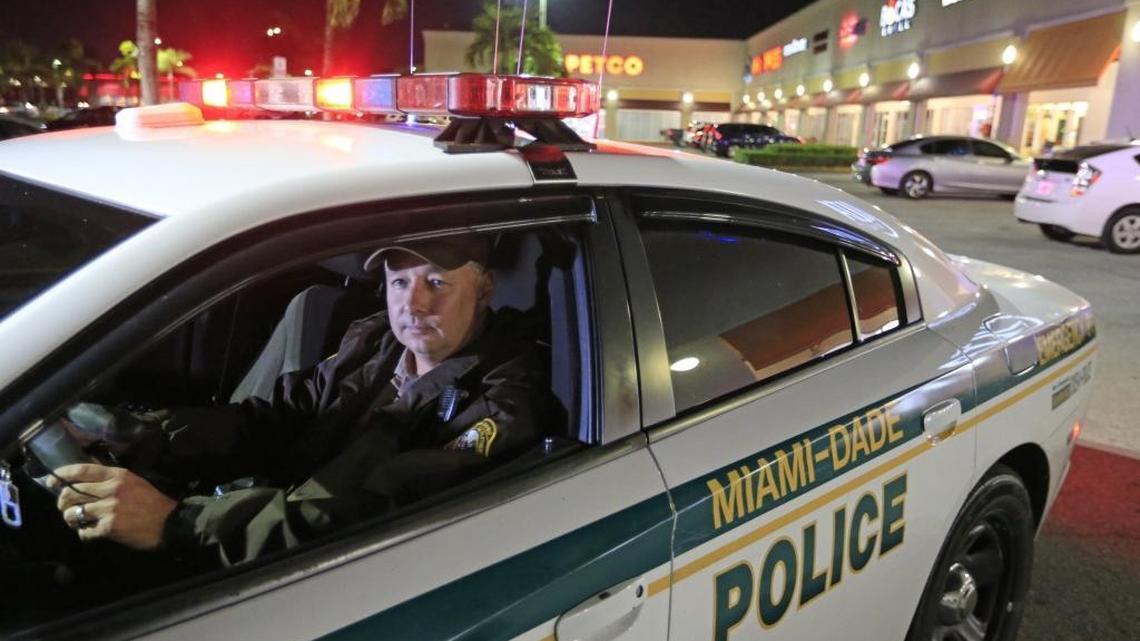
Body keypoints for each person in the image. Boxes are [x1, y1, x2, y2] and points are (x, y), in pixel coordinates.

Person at [47, 235, 554, 566]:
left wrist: (180, 524)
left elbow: (365, 514)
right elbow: (281, 417)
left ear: (484, 289)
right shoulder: (375, 342)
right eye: (399, 281)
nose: (413, 303)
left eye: (437, 282)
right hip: (274, 532)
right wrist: (151, 433)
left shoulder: (498, 402)